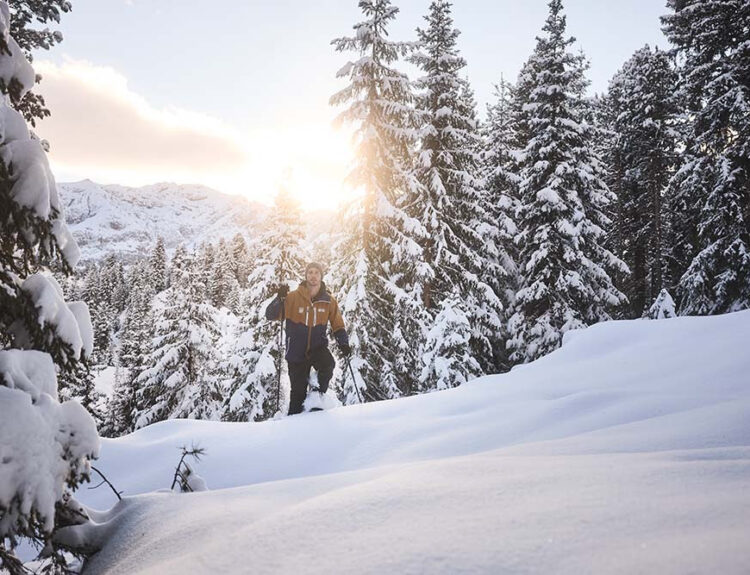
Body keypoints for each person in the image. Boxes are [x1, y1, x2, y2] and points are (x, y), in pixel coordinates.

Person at [265, 262, 351, 415]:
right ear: (305, 276)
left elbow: (338, 324)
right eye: (310, 272)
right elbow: (270, 315)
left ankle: (316, 395)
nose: (313, 275)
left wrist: (343, 342)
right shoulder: (291, 298)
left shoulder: (328, 301)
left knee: (328, 365)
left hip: (317, 348)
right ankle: (293, 423)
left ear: (321, 276)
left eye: (316, 272)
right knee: (297, 393)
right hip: (296, 351)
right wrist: (279, 298)